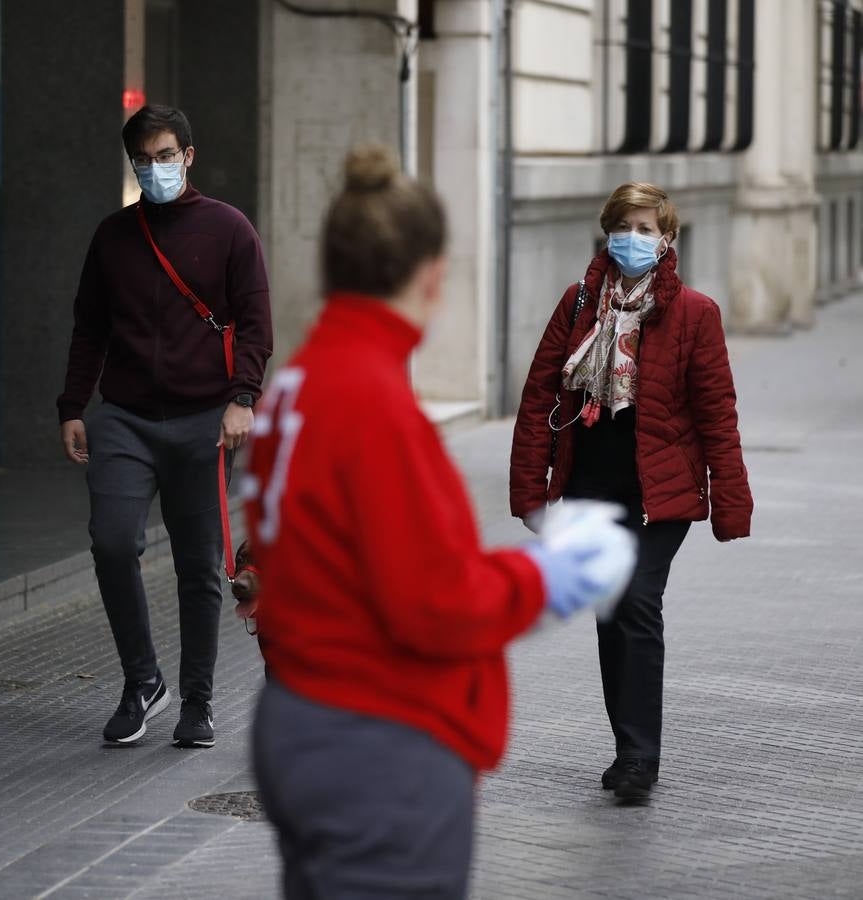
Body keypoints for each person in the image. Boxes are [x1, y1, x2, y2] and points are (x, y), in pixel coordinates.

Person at [244, 145, 635, 899]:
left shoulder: (299, 384)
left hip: (307, 718)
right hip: (380, 745)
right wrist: (549, 575)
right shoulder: (373, 404)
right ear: (431, 273)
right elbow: (434, 602)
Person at [510, 181, 752, 800]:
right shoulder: (577, 304)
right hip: (593, 486)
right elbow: (540, 396)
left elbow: (717, 412)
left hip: (659, 493)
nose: (634, 238)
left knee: (638, 600)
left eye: (646, 229)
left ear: (667, 239)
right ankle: (627, 748)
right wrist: (530, 490)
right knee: (611, 612)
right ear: (606, 232)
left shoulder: (696, 313)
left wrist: (730, 500)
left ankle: (641, 757)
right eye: (624, 226)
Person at [56, 104, 273, 748]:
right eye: (143, 160)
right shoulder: (114, 237)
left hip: (204, 420)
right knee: (113, 541)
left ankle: (198, 703)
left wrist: (243, 398)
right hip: (123, 418)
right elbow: (89, 328)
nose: (156, 169)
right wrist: (73, 406)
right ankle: (143, 681)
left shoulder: (229, 230)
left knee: (199, 565)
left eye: (166, 156)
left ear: (188, 156)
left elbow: (257, 323)